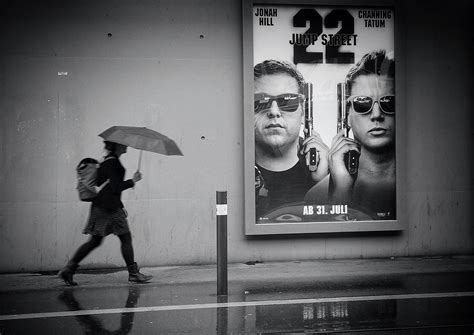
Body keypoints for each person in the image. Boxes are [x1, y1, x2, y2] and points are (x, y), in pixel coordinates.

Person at [306, 50, 396, 220]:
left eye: (388, 102)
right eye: (362, 103)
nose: (376, 114)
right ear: (347, 115)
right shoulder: (316, 196)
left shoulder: (422, 182)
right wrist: (341, 193)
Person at [58, 141, 152, 285]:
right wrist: (133, 181)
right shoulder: (113, 163)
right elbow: (115, 187)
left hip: (101, 207)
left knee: (95, 241)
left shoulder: (107, 161)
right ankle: (133, 274)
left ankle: (69, 269)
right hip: (110, 209)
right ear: (117, 146)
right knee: (125, 239)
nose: (126, 145)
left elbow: (108, 188)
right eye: (123, 144)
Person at [254, 59, 329, 219]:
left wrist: (325, 182)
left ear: (304, 112)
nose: (274, 111)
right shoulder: (234, 168)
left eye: (287, 101)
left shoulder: (330, 169)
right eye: (261, 101)